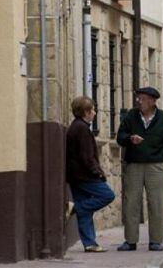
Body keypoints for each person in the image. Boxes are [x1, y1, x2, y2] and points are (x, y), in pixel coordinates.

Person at [116, 87, 163, 252]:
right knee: (131, 203)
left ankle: (156, 241)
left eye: (142, 99)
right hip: (134, 165)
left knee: (157, 204)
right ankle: (130, 241)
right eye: (138, 98)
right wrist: (130, 139)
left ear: (152, 101)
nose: (139, 101)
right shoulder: (131, 116)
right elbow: (120, 136)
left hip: (157, 166)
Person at [66, 96, 116, 253]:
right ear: (85, 112)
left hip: (75, 176)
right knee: (107, 195)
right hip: (84, 176)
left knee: (86, 211)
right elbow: (87, 157)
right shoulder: (82, 129)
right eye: (92, 110)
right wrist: (98, 173)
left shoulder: (76, 126)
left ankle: (89, 243)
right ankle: (74, 208)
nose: (94, 113)